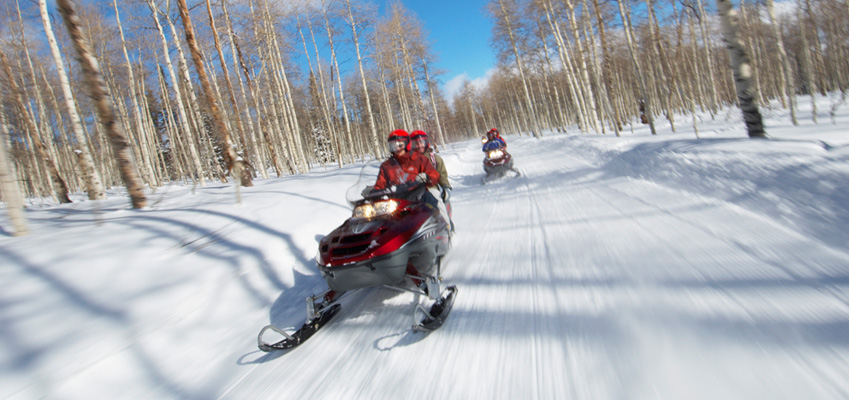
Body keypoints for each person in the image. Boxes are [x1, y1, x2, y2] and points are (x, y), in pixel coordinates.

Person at [410, 130, 453, 230]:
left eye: (422, 142)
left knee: (436, 201)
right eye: (416, 143)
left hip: (430, 187)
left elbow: (442, 174)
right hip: (412, 190)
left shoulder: (434, 158)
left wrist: (446, 187)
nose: (419, 145)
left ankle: (447, 228)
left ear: (426, 142)